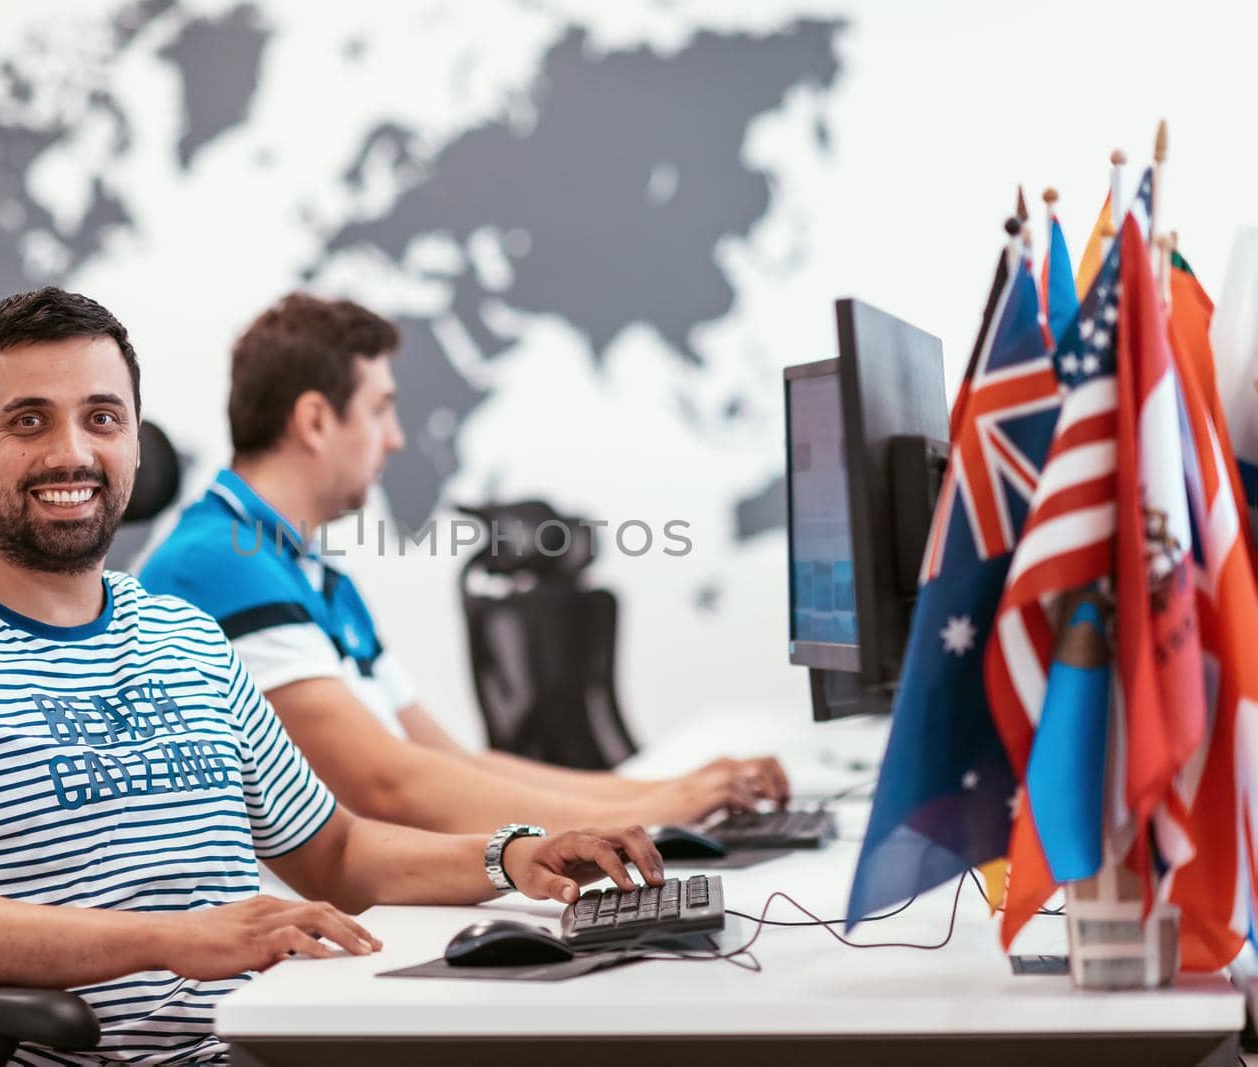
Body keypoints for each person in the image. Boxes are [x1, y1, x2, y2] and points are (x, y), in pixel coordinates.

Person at [0, 287, 664, 1065]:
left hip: (273, 1039)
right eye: (29, 421)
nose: (72, 452)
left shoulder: (186, 638)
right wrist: (168, 940)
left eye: (102, 418)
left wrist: (514, 854)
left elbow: (335, 849)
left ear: (135, 441)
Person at [139, 292, 789, 836]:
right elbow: (384, 786)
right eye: (380, 408)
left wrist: (673, 790)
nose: (395, 437)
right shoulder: (218, 562)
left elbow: (445, 760)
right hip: (276, 957)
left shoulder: (308, 569)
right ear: (314, 419)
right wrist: (654, 812)